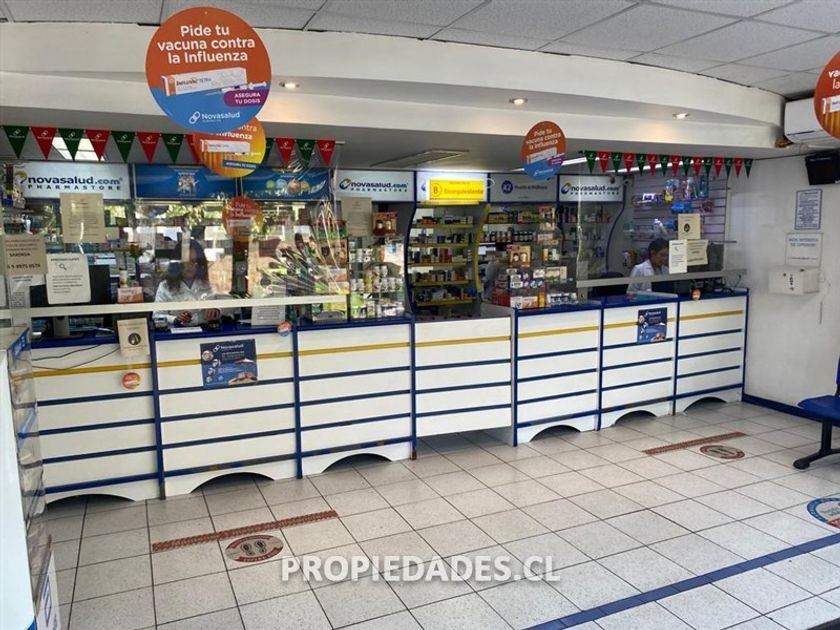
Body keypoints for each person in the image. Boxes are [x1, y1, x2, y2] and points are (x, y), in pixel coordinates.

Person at [154, 239, 221, 325]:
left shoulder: (209, 282)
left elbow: (230, 305)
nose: (189, 267)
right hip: (177, 331)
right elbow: (157, 315)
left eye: (193, 261)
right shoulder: (165, 286)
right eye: (185, 262)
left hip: (206, 330)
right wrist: (175, 319)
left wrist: (216, 310)